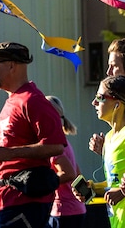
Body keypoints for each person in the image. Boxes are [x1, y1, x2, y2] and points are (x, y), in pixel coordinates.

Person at [0, 41, 67, 228]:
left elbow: (55, 145)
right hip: (10, 199)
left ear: (11, 65)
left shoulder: (33, 101)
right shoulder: (12, 101)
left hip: (26, 200)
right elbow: (13, 139)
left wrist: (11, 153)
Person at [74, 75, 125, 228]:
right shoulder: (109, 137)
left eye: (100, 97)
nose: (93, 102)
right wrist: (93, 188)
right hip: (118, 222)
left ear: (117, 104)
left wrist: (123, 192)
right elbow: (115, 183)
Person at [45, 95, 87, 228]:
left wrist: (44, 183)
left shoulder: (55, 145)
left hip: (64, 210)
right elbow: (77, 171)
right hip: (76, 208)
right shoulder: (64, 141)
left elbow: (69, 173)